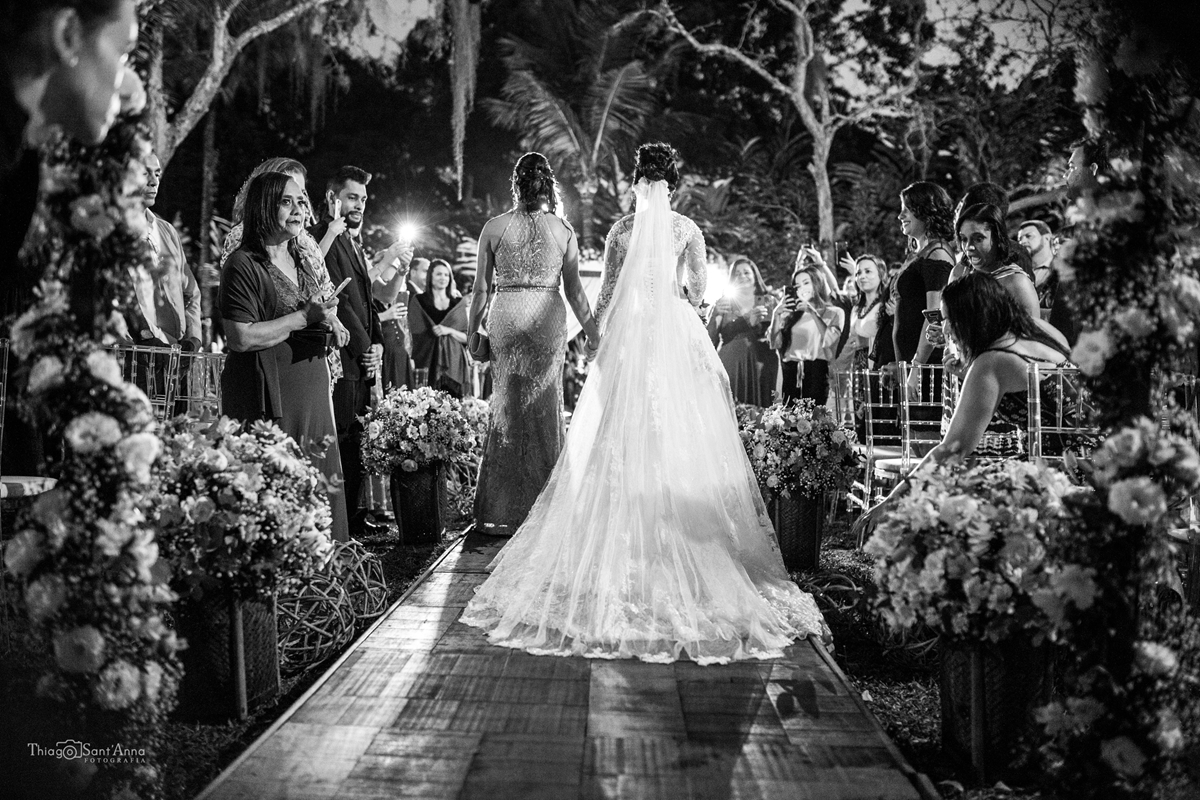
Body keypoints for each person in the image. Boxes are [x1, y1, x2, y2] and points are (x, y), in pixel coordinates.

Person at [461, 142, 826, 663]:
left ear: (637, 182)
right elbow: (697, 291)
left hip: (631, 334)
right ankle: (680, 526)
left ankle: (612, 527)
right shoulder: (687, 230)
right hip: (674, 331)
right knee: (681, 425)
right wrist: (686, 306)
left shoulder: (620, 231)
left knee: (620, 427)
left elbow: (608, 291)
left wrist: (599, 335)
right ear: (672, 184)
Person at [853, 270, 1072, 534]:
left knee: (954, 505)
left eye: (947, 319)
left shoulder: (991, 363)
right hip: (1087, 454)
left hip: (1058, 474)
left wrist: (892, 500)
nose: (944, 329)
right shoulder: (1038, 330)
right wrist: (968, 373)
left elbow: (951, 450)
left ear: (970, 318)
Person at [468, 152, 601, 536]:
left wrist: (473, 333)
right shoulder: (564, 230)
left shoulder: (494, 227)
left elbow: (480, 290)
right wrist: (593, 333)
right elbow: (575, 292)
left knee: (507, 406)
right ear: (549, 184)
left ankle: (501, 509)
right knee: (545, 407)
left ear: (516, 184)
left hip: (507, 314)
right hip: (546, 316)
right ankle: (546, 509)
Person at [218, 171, 349, 541]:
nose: (298, 210)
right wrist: (303, 317)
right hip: (273, 396)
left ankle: (328, 563)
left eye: (301, 202)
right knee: (283, 492)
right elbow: (241, 337)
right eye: (286, 202)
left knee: (320, 481)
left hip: (313, 391)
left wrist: (328, 321)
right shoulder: (243, 264)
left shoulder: (302, 259)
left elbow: (308, 314)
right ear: (263, 207)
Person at [310, 165, 405, 539]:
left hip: (364, 354)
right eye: (352, 197)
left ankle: (355, 513)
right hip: (344, 355)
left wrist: (378, 343)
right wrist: (366, 348)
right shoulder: (323, 239)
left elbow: (368, 301)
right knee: (343, 439)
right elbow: (342, 301)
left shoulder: (352, 241)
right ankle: (341, 523)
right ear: (332, 198)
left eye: (363, 199)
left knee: (357, 439)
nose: (359, 205)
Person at [892, 182, 956, 397]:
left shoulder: (937, 255)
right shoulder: (924, 253)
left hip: (926, 368)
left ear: (926, 211)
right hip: (911, 363)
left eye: (907, 209)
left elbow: (934, 316)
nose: (900, 215)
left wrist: (917, 367)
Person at [134, 147, 202, 350]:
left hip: (174, 354)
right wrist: (143, 337)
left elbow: (191, 292)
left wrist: (193, 338)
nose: (154, 181)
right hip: (134, 353)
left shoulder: (167, 231)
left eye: (157, 174)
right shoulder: (114, 234)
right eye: (145, 173)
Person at [769, 262, 844, 405]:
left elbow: (830, 341)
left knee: (815, 417)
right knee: (790, 416)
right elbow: (775, 344)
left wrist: (813, 312)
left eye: (806, 283)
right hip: (790, 374)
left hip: (816, 373)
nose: (801, 288)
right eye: (797, 286)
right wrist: (776, 315)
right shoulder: (789, 315)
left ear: (817, 284)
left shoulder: (834, 312)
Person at [707, 256, 777, 406]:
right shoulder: (725, 303)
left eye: (746, 272)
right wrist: (714, 313)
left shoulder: (768, 301)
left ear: (755, 276)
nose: (742, 276)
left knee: (760, 410)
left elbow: (776, 336)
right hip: (731, 365)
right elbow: (710, 340)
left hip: (761, 364)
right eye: (737, 274)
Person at [409, 259, 469, 396]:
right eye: (439, 274)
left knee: (454, 403)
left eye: (446, 275)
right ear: (430, 276)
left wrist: (449, 331)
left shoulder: (458, 303)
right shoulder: (419, 301)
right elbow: (414, 334)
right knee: (427, 402)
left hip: (454, 363)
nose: (443, 278)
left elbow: (467, 337)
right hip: (427, 360)